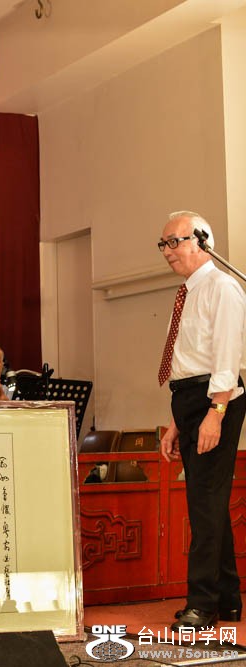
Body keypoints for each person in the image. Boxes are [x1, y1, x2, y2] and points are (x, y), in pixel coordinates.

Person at [157, 211, 246, 631]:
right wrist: (177, 423)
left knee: (204, 504)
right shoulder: (188, 291)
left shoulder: (222, 287)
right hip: (190, 400)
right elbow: (188, 363)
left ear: (202, 241)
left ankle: (202, 604)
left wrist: (216, 413)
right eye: (163, 244)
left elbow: (227, 358)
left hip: (217, 400)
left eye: (174, 241)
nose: (167, 251)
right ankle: (227, 598)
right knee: (208, 503)